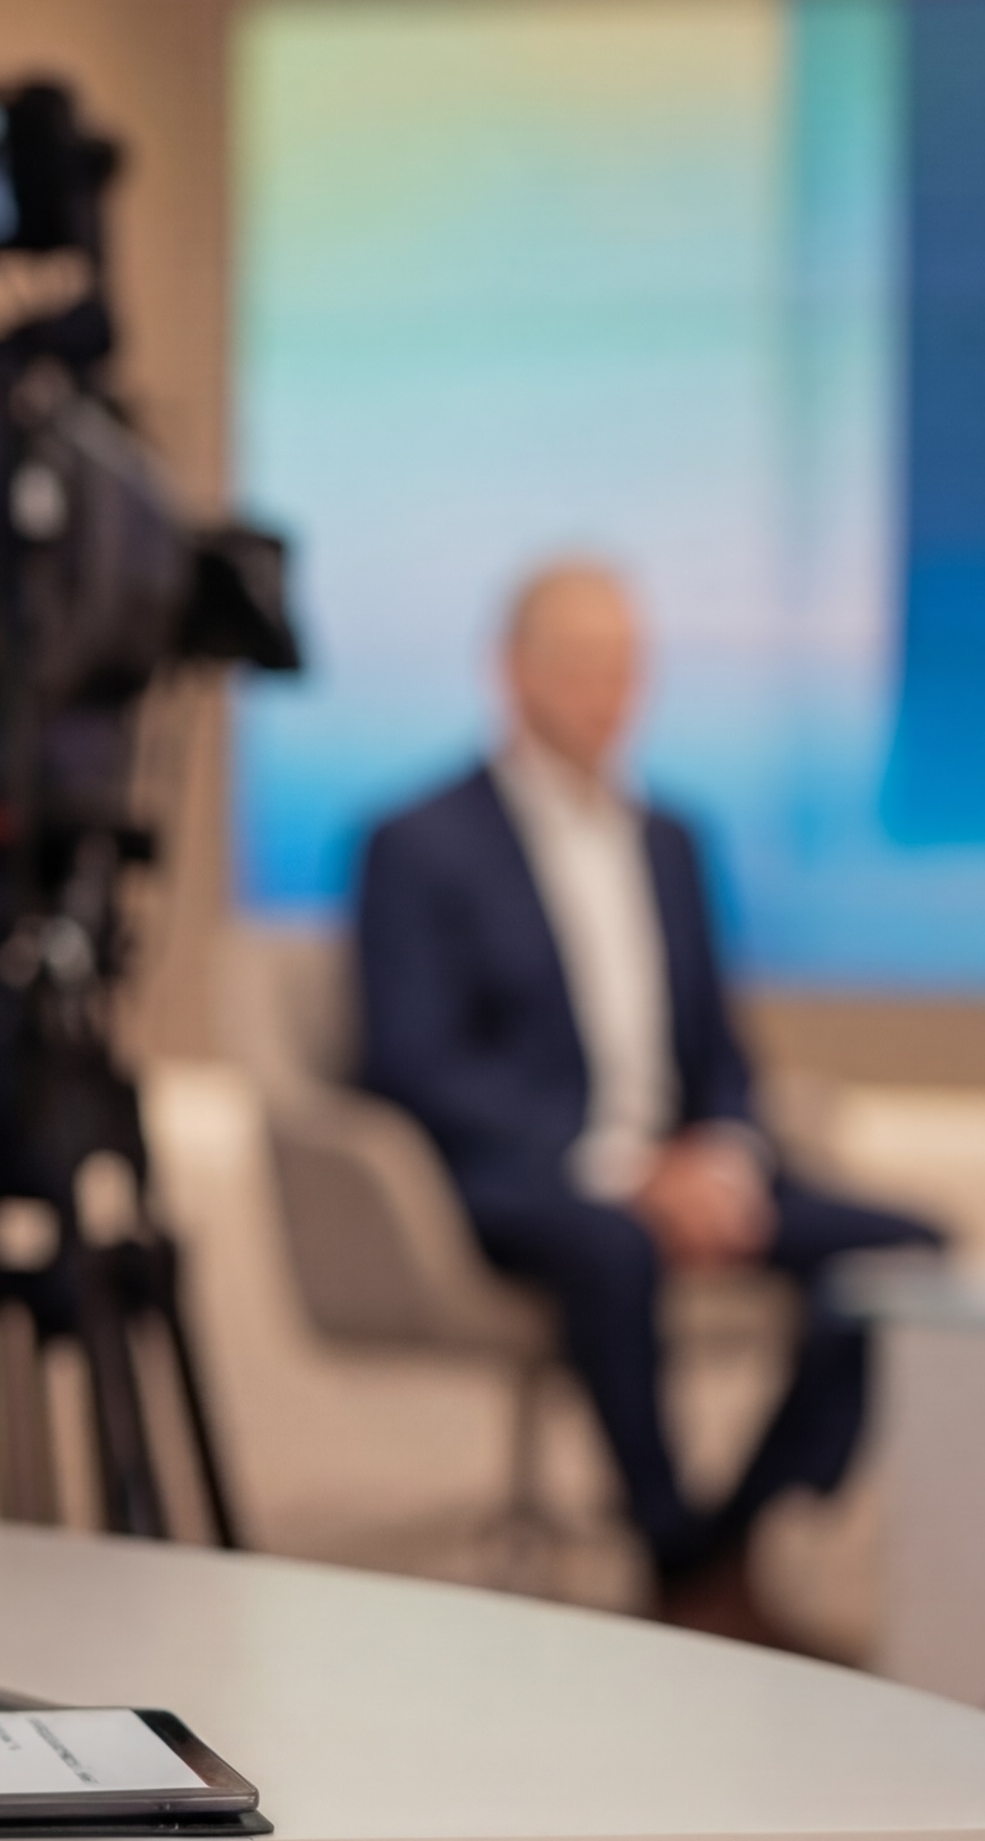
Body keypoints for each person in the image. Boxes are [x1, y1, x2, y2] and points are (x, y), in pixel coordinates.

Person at [349, 560, 942, 1647]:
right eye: (581, 664)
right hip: (522, 1177)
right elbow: (412, 1063)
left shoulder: (673, 840)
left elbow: (721, 1048)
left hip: (678, 1162)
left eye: (626, 666)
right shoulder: (418, 841)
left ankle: (724, 1537)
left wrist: (720, 1155)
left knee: (907, 1249)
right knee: (614, 1243)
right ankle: (675, 1556)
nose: (607, 692)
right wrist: (623, 1172)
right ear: (512, 672)